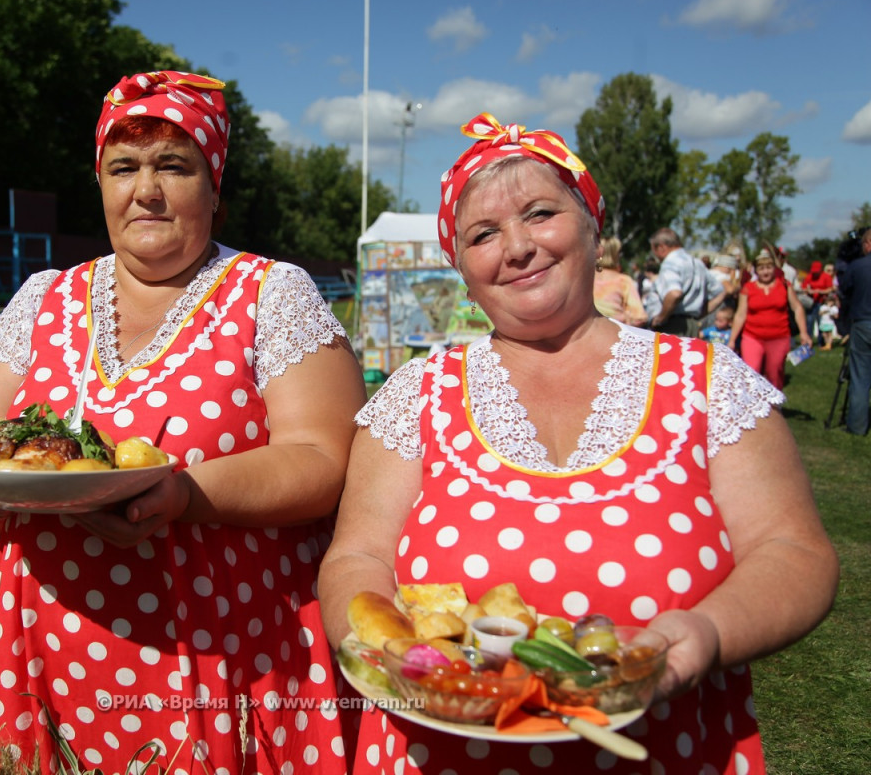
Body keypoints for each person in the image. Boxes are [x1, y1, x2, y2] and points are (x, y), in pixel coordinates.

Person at [318, 112, 838, 775]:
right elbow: (355, 556)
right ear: (462, 269)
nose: (517, 246)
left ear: (593, 226)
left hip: (665, 750)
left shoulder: (705, 382)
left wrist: (706, 634)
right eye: (483, 234)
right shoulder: (415, 395)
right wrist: (385, 652)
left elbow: (794, 552)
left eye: (540, 213)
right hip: (438, 751)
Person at [0, 70, 367, 773]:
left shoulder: (270, 292)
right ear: (100, 184)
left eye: (174, 165)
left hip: (224, 648)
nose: (147, 189)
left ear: (214, 186)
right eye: (123, 167)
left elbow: (324, 458)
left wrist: (187, 495)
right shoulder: (45, 297)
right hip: (52, 644)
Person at [728, 248, 812, 390]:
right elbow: (740, 314)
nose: (765, 272)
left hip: (779, 337)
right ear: (756, 270)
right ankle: (752, 407)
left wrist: (804, 332)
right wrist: (732, 340)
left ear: (774, 268)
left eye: (768, 267)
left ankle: (774, 408)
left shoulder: (784, 285)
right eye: (761, 268)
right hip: (752, 336)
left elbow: (797, 308)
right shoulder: (748, 288)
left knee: (775, 374)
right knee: (751, 372)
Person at [648, 228, 723, 337]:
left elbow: (674, 293)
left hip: (673, 326)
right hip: (693, 325)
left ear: (661, 247)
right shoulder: (697, 263)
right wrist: (700, 313)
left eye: (654, 251)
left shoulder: (670, 263)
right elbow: (720, 292)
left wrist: (660, 318)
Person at [839, 227, 871, 435]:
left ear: (867, 244)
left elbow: (844, 291)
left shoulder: (857, 266)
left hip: (863, 322)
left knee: (859, 376)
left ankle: (857, 425)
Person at [592, 236, 647, 326]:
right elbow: (639, 317)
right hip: (615, 332)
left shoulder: (585, 278)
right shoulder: (623, 281)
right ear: (615, 255)